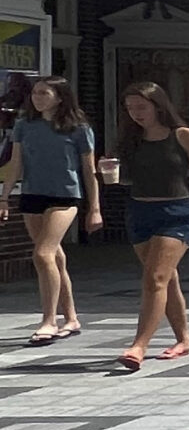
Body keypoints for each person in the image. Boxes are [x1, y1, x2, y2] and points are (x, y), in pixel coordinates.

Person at [115, 81, 189, 372]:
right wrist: (109, 172)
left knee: (154, 279)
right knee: (166, 279)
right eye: (130, 108)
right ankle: (183, 339)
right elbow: (127, 178)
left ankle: (139, 345)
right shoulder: (131, 139)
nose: (136, 113)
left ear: (158, 105)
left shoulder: (184, 136)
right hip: (139, 211)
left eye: (141, 107)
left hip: (176, 212)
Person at [0, 76, 103, 345]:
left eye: (44, 93)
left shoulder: (78, 129)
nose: (37, 98)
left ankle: (49, 320)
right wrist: (5, 197)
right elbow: (15, 162)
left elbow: (89, 171)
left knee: (43, 254)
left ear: (59, 97)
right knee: (54, 258)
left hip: (65, 196)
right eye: (35, 93)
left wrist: (95, 208)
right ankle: (71, 317)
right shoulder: (24, 125)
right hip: (33, 194)